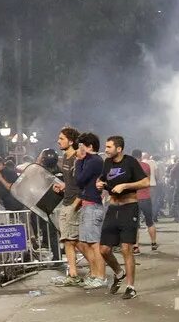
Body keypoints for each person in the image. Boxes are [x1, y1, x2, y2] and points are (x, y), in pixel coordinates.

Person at [98, 135, 150, 300]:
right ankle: (119, 273)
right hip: (113, 207)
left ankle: (130, 287)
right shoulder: (107, 163)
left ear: (119, 149)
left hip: (129, 207)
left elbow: (145, 182)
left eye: (109, 147)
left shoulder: (130, 162)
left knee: (126, 248)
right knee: (104, 250)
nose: (106, 150)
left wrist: (126, 185)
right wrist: (99, 183)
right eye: (106, 147)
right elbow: (103, 179)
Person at [70, 132, 110, 287]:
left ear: (90, 146)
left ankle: (101, 276)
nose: (79, 150)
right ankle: (94, 274)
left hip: (93, 205)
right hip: (88, 204)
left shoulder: (93, 161)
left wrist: (79, 161)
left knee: (94, 244)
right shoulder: (91, 160)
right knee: (85, 243)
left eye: (81, 146)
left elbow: (79, 180)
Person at [53, 128, 87, 284]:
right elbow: (72, 183)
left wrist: (75, 204)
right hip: (67, 202)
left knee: (75, 241)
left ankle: (96, 269)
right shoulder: (65, 158)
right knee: (69, 240)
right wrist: (63, 188)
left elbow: (82, 185)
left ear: (71, 141)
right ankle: (73, 274)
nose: (58, 141)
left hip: (73, 204)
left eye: (61, 138)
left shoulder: (76, 159)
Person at [136, 151, 160, 252]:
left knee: (135, 224)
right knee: (149, 221)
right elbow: (148, 180)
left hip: (134, 198)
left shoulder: (129, 167)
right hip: (146, 197)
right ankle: (153, 243)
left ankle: (136, 247)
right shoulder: (146, 166)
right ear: (140, 157)